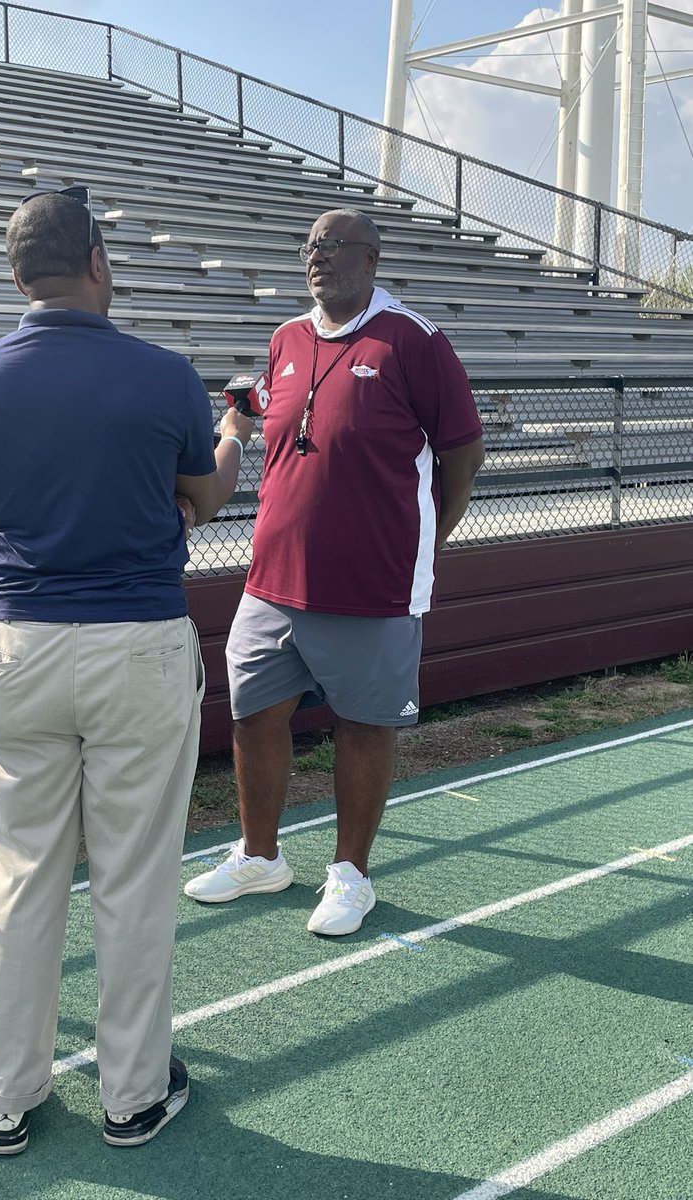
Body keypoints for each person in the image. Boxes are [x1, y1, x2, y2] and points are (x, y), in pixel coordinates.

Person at [0, 187, 253, 1156]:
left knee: (22, 876)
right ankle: (131, 1092)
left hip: (20, 643)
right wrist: (234, 437)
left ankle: (5, 1094)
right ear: (98, 261)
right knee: (133, 878)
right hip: (136, 640)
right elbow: (202, 492)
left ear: (14, 273)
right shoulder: (165, 374)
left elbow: (22, 486)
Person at [185, 207, 484, 936]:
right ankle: (261, 856)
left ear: (373, 257)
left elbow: (464, 454)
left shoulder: (412, 340)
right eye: (311, 244)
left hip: (373, 585)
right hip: (274, 579)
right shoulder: (285, 339)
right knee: (253, 716)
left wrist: (423, 540)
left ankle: (351, 875)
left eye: (336, 243)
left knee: (364, 725)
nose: (320, 255)